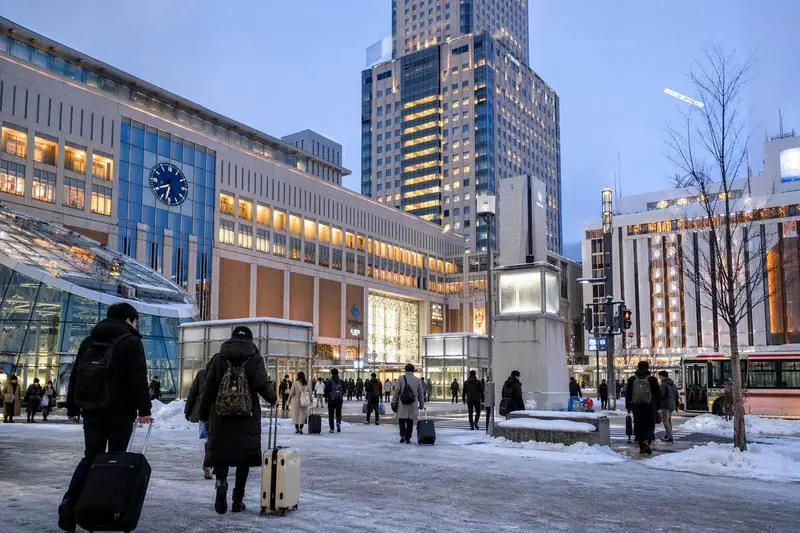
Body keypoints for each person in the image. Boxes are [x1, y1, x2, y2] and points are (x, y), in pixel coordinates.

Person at [58, 303, 152, 532]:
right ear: (129, 320)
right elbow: (138, 377)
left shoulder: (89, 341)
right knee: (115, 460)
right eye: (135, 321)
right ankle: (105, 510)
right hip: (120, 411)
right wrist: (144, 409)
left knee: (91, 457)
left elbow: (76, 375)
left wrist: (72, 407)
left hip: (92, 410)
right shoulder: (131, 342)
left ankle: (70, 503)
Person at [199, 326, 277, 515]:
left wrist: (203, 414)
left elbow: (208, 388)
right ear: (250, 340)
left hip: (221, 415)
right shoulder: (255, 358)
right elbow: (260, 383)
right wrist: (273, 397)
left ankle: (221, 483)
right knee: (243, 459)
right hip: (246, 417)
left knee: (221, 453)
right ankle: (237, 500)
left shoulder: (219, 358)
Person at [185, 355, 215, 480]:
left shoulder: (201, 374)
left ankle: (208, 464)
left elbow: (193, 392)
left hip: (203, 412)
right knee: (218, 439)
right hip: (219, 412)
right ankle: (214, 464)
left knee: (207, 439)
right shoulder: (224, 374)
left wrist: (188, 410)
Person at [625, 361, 661, 454]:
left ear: (638, 367)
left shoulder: (632, 379)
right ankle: (647, 441)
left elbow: (628, 393)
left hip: (636, 406)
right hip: (650, 405)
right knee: (649, 424)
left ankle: (641, 445)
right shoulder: (652, 379)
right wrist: (657, 407)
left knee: (638, 424)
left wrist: (628, 406)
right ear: (648, 367)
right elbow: (657, 394)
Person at [392, 363, 425, 443]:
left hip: (402, 402)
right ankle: (408, 437)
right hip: (412, 403)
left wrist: (393, 400)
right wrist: (421, 404)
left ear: (405, 370)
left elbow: (397, 390)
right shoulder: (418, 380)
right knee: (410, 421)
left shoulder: (401, 378)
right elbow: (421, 394)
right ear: (413, 370)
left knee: (402, 420)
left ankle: (402, 434)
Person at [658, 370, 679, 443]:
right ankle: (667, 435)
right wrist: (677, 405)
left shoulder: (663, 384)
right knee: (669, 420)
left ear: (663, 376)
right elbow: (677, 396)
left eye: (660, 377)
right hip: (672, 404)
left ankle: (670, 437)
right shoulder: (673, 385)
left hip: (665, 404)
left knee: (665, 420)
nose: (659, 378)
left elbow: (660, 394)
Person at [324, 369, 345, 433]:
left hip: (331, 400)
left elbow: (326, 391)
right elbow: (344, 390)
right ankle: (338, 422)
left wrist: (326, 398)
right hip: (339, 399)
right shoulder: (341, 381)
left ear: (331, 373)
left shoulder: (329, 381)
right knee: (338, 412)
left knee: (331, 414)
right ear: (338, 373)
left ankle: (332, 428)